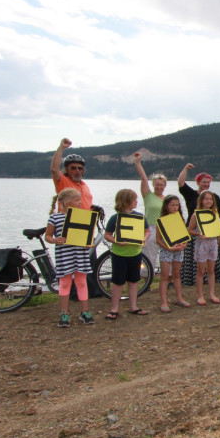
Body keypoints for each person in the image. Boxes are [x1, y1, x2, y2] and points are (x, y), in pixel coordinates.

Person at [45, 189, 94, 327]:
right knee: (65, 283)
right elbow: (48, 236)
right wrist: (55, 240)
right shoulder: (55, 218)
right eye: (77, 200)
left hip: (80, 255)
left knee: (82, 282)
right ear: (66, 202)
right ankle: (64, 312)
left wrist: (88, 244)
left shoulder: (84, 216)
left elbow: (88, 237)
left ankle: (85, 311)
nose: (80, 203)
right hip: (64, 255)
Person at [103, 189, 151, 319]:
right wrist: (117, 241)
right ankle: (114, 308)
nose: (136, 201)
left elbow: (147, 231)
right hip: (119, 254)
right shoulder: (115, 218)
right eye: (134, 199)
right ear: (126, 201)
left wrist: (144, 239)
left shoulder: (140, 217)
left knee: (134, 281)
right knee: (118, 282)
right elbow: (107, 235)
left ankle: (133, 306)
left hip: (135, 253)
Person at [177, 163, 220, 288]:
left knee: (211, 262)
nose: (206, 184)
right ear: (198, 182)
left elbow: (218, 214)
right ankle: (192, 281)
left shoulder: (214, 197)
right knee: (194, 261)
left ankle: (211, 283)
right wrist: (186, 169)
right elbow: (181, 183)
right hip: (195, 232)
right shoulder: (191, 194)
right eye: (204, 182)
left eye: (208, 182)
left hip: (210, 234)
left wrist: (215, 228)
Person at [187, 190, 220, 306]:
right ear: (201, 200)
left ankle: (212, 294)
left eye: (210, 199)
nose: (208, 201)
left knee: (211, 270)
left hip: (213, 243)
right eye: (206, 199)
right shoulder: (196, 214)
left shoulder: (215, 214)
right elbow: (189, 230)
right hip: (201, 243)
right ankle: (200, 295)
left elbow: (217, 229)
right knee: (201, 271)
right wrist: (198, 234)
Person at [156, 195, 190, 311]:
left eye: (177, 205)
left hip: (179, 251)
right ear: (166, 206)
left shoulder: (180, 219)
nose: (175, 207)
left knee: (176, 275)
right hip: (167, 251)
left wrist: (184, 245)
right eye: (172, 205)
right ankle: (164, 302)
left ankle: (179, 298)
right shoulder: (162, 221)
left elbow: (185, 236)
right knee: (165, 276)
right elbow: (158, 239)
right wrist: (168, 248)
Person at [134, 152, 167, 267]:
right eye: (157, 184)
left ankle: (167, 280)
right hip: (151, 228)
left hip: (165, 229)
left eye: (161, 185)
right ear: (153, 185)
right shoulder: (148, 195)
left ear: (165, 186)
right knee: (149, 257)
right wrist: (138, 163)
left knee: (167, 256)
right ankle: (146, 278)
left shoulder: (167, 199)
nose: (159, 187)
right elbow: (144, 179)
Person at [50, 138, 92, 209]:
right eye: (73, 168)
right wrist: (61, 147)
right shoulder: (63, 182)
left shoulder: (85, 186)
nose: (77, 170)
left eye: (80, 168)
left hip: (86, 219)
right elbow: (54, 169)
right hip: (68, 219)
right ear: (66, 170)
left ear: (83, 170)